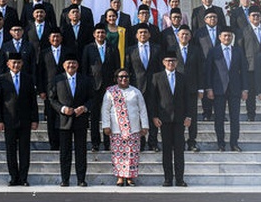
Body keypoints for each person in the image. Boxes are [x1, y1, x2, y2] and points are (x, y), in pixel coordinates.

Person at [148, 51, 195, 187]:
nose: (170, 63)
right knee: (166, 151)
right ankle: (168, 179)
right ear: (163, 62)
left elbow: (188, 99)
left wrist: (189, 116)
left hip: (180, 119)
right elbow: (153, 99)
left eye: (173, 61)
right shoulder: (157, 77)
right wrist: (154, 116)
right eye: (168, 61)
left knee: (179, 151)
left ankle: (180, 179)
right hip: (164, 119)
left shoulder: (183, 77)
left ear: (177, 62)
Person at [48, 54, 96, 187]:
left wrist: (85, 108)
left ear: (77, 65)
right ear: (64, 65)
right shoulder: (57, 80)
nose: (71, 66)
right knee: (65, 152)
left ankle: (81, 179)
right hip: (64, 121)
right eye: (68, 63)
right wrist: (62, 109)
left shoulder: (85, 80)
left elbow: (92, 98)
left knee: (81, 151)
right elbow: (52, 99)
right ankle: (65, 179)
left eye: (73, 63)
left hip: (80, 120)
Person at [0, 52, 40, 186]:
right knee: (11, 150)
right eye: (13, 62)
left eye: (18, 62)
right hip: (9, 120)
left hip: (25, 120)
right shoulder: (2, 79)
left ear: (22, 64)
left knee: (25, 150)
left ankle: (23, 178)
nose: (16, 65)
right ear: (8, 64)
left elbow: (33, 101)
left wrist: (35, 119)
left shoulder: (28, 78)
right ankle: (14, 177)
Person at [101, 69, 148, 186]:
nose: (123, 79)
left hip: (134, 128)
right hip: (117, 129)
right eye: (120, 77)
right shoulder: (110, 92)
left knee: (132, 154)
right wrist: (106, 126)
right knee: (118, 154)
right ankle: (120, 177)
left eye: (126, 76)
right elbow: (105, 110)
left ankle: (130, 177)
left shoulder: (135, 92)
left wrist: (145, 126)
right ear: (116, 78)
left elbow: (142, 109)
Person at [81, 23, 121, 152]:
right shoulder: (88, 48)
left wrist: (116, 86)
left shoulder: (113, 48)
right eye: (98, 33)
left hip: (109, 88)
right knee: (94, 116)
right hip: (93, 87)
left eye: (102, 33)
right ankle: (95, 143)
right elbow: (84, 68)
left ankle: (108, 143)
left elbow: (117, 68)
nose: (100, 35)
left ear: (106, 34)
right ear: (94, 34)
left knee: (109, 116)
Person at [206, 25, 246, 152]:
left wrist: (245, 89)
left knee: (235, 118)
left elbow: (244, 71)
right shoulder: (213, 51)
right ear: (220, 37)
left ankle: (234, 143)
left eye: (229, 36)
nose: (227, 38)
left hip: (235, 89)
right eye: (225, 35)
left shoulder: (238, 51)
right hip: (218, 89)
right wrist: (209, 88)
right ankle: (221, 144)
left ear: (232, 37)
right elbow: (208, 71)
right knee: (219, 118)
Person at [125, 23, 162, 151]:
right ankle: (139, 142)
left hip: (154, 86)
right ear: (136, 35)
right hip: (137, 87)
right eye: (140, 33)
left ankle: (153, 142)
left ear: (149, 34)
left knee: (153, 114)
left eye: (145, 32)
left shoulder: (157, 49)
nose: (143, 35)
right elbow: (127, 70)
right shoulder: (130, 50)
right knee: (137, 116)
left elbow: (160, 69)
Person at [238, 5, 261, 122]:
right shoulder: (243, 31)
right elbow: (240, 50)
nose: (256, 17)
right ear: (249, 17)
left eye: (258, 15)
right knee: (251, 93)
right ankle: (251, 115)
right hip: (250, 66)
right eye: (253, 15)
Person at [174, 24, 205, 152]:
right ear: (178, 35)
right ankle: (179, 141)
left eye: (187, 34)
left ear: (190, 36)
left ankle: (192, 141)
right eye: (182, 34)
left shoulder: (196, 50)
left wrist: (201, 88)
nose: (184, 36)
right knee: (178, 116)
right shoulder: (172, 49)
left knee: (192, 116)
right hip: (176, 89)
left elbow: (201, 70)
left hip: (192, 89)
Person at [37, 28, 65, 151]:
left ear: (61, 38)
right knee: (51, 118)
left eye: (58, 37)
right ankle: (53, 144)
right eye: (53, 37)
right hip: (49, 91)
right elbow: (40, 73)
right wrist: (41, 90)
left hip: (65, 90)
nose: (55, 39)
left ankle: (63, 142)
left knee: (63, 117)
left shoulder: (67, 52)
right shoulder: (44, 53)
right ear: (49, 39)